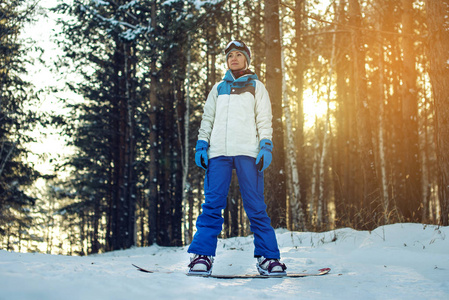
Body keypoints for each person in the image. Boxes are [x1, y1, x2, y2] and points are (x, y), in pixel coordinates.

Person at [187, 40, 287, 276]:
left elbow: (264, 118)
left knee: (255, 207)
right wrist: (202, 145)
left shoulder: (256, 86)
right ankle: (201, 256)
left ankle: (268, 258)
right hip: (218, 154)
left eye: (239, 55)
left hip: (247, 153)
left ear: (246, 60)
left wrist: (266, 146)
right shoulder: (218, 88)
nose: (234, 58)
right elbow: (208, 119)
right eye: (230, 55)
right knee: (212, 206)